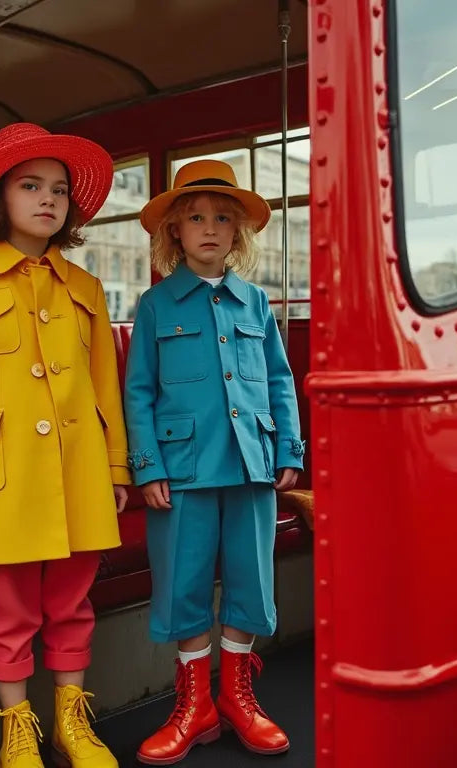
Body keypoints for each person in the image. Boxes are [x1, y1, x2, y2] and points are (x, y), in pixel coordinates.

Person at [0, 123, 129, 768]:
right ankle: (18, 730)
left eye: (59, 190)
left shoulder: (85, 286)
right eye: (30, 185)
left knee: (72, 604)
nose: (48, 199)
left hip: (79, 473)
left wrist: (116, 466)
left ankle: (73, 724)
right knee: (6, 608)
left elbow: (104, 389)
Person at [123, 159, 306, 765]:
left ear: (238, 234)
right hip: (182, 472)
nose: (208, 228)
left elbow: (280, 380)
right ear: (175, 230)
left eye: (222, 219)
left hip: (252, 463)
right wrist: (147, 466)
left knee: (253, 584)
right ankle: (194, 705)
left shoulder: (255, 303)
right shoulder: (156, 304)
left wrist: (288, 448)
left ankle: (238, 699)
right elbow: (139, 391)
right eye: (196, 218)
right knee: (184, 586)